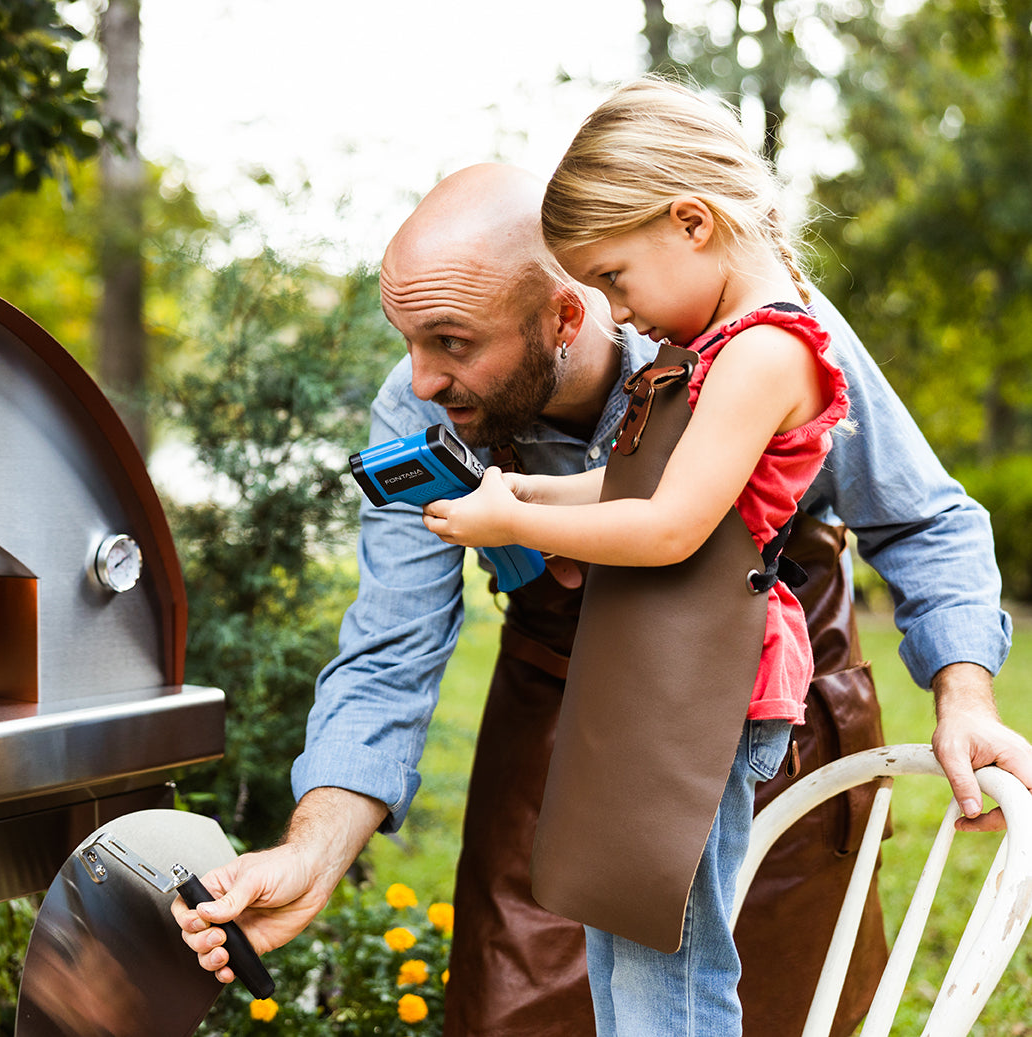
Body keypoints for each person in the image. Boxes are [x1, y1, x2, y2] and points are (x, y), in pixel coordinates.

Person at [174, 112, 1032, 1037]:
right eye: (409, 340)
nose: (418, 381)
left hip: (763, 727)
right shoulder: (421, 407)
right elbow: (390, 654)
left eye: (453, 343)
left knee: (758, 1001)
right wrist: (312, 853)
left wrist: (965, 695)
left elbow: (922, 516)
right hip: (566, 734)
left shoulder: (762, 344)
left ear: (568, 313)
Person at [416, 76, 845, 1034]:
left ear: (691, 222)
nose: (617, 309)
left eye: (613, 277)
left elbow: (667, 528)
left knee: (673, 953)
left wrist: (517, 527)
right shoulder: (714, 346)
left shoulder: (766, 353)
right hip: (663, 665)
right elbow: (635, 490)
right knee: (623, 928)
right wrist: (520, 490)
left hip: (710, 677)